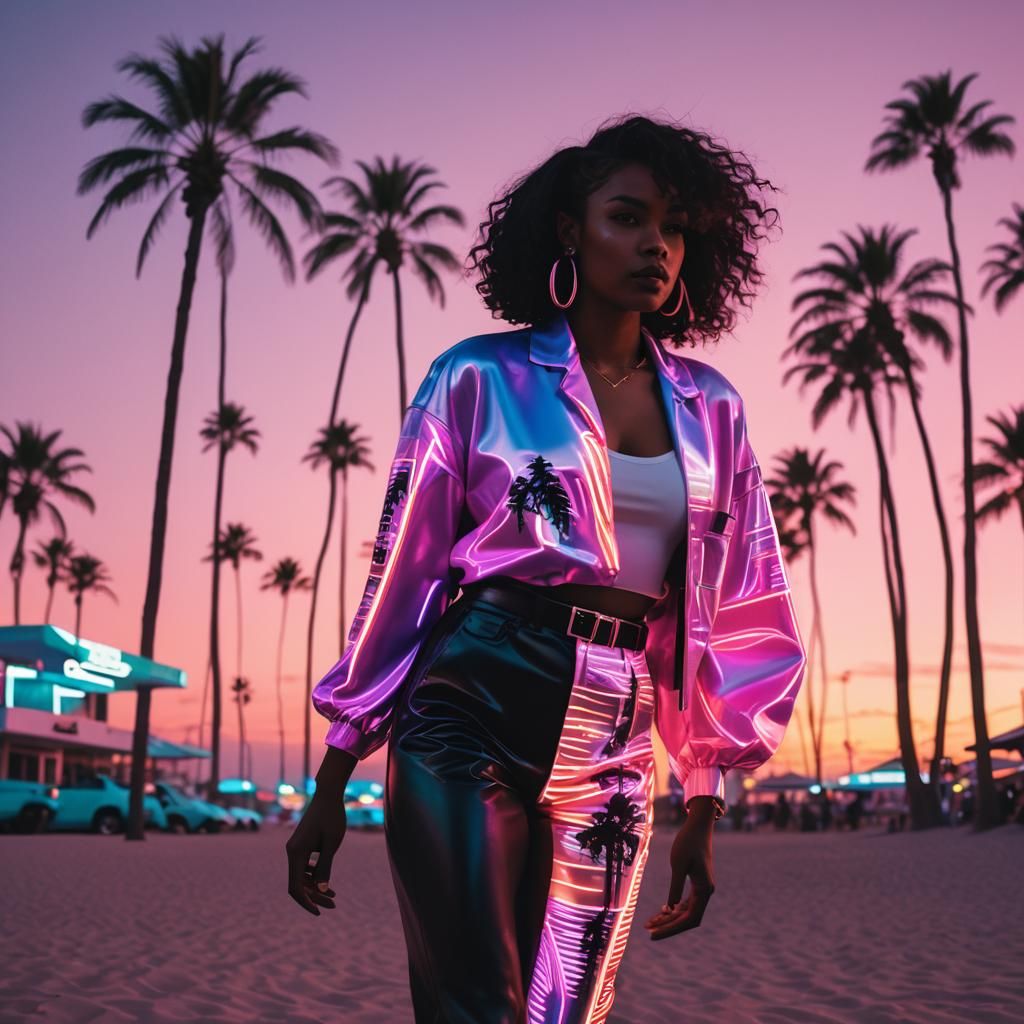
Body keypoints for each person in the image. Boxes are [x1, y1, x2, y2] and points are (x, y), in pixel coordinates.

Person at [286, 113, 807, 1024]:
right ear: (570, 230)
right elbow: (404, 572)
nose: (655, 245)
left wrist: (704, 796)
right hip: (470, 701)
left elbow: (742, 602)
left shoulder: (713, 409)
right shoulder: (475, 378)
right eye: (627, 217)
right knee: (474, 1005)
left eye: (674, 227)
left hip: (616, 728)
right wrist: (336, 767)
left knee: (570, 1007)